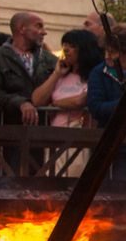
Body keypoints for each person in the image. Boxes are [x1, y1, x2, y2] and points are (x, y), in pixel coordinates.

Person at [31, 29, 102, 175]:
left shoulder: (95, 76)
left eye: (72, 46)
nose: (66, 50)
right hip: (55, 138)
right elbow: (37, 100)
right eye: (65, 45)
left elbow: (80, 101)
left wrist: (55, 104)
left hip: (78, 139)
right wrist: (56, 75)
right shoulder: (61, 75)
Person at [86, 23, 126, 179]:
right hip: (111, 141)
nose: (107, 56)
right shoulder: (99, 72)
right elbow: (95, 106)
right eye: (106, 51)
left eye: (113, 52)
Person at [0, 12, 58, 130]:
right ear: (22, 29)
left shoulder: (50, 60)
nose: (44, 32)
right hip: (7, 131)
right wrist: (21, 103)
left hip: (41, 131)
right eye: (38, 26)